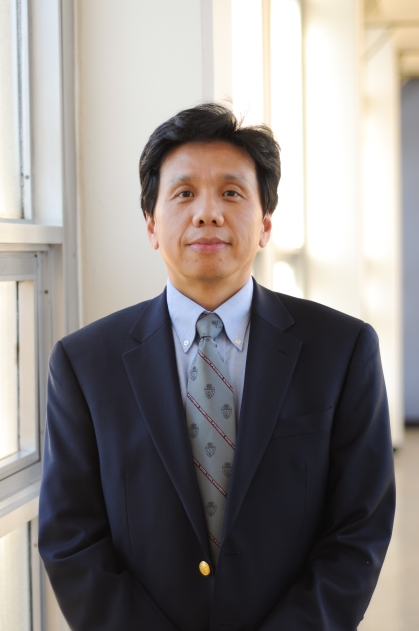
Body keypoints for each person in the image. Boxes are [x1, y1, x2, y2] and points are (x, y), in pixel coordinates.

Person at [39, 103, 395, 631]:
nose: (208, 213)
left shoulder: (342, 350)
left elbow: (358, 527)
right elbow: (72, 536)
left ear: (266, 224)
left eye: (232, 193)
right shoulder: (84, 363)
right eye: (183, 194)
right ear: (152, 225)